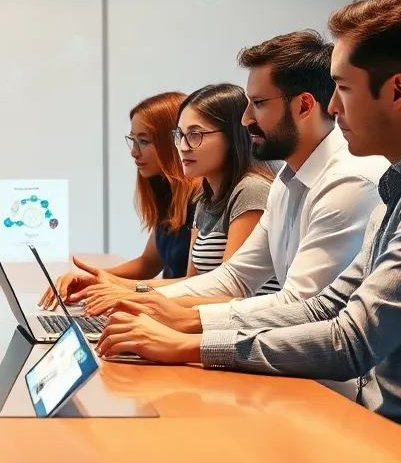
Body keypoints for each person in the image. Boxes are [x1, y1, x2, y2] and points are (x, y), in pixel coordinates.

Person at [97, 0, 401, 462]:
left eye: (343, 89)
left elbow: (351, 341)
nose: (334, 108)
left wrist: (193, 344)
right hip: (374, 425)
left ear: (398, 92)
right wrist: (186, 327)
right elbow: (327, 305)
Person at [55, 32, 389, 334]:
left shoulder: (349, 181)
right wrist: (136, 296)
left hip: (327, 383)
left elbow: (302, 307)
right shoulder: (286, 182)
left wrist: (175, 316)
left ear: (303, 105)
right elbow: (235, 277)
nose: (246, 120)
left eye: (258, 104)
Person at [52, 83, 277, 313]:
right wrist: (109, 285)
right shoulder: (205, 198)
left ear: (232, 135)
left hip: (234, 334)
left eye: (195, 135)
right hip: (207, 325)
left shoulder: (251, 191)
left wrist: (128, 294)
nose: (183, 146)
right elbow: (193, 284)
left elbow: (230, 292)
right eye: (180, 136)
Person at [39, 92, 196, 314]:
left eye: (144, 141)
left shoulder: (201, 200)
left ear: (173, 143)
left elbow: (195, 285)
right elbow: (148, 262)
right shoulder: (167, 193)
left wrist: (116, 286)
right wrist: (95, 278)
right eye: (133, 141)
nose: (134, 152)